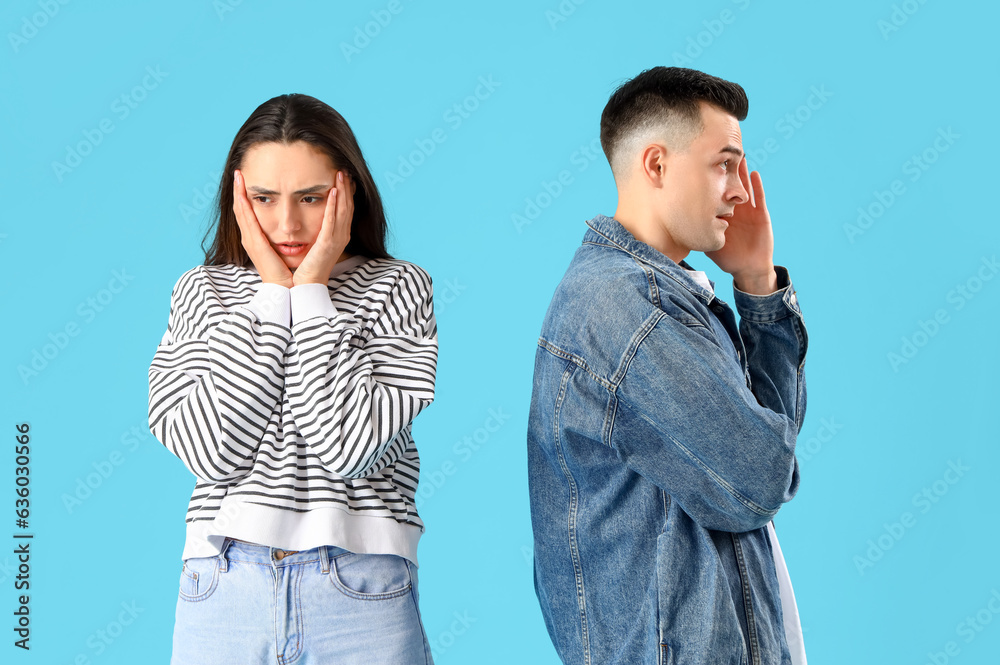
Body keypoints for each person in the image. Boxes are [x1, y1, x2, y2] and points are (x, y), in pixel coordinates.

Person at [526, 67, 809, 665]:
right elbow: (759, 480)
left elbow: (762, 460)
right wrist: (758, 301)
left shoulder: (666, 295)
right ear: (656, 165)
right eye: (723, 164)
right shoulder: (628, 307)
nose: (740, 189)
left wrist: (757, 284)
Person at [147, 93, 438, 664]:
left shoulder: (399, 289)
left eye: (311, 198)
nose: (287, 223)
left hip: (360, 591)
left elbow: (348, 446)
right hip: (223, 585)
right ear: (237, 198)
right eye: (263, 198)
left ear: (347, 190)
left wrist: (308, 294)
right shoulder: (202, 293)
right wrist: (270, 295)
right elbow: (213, 454)